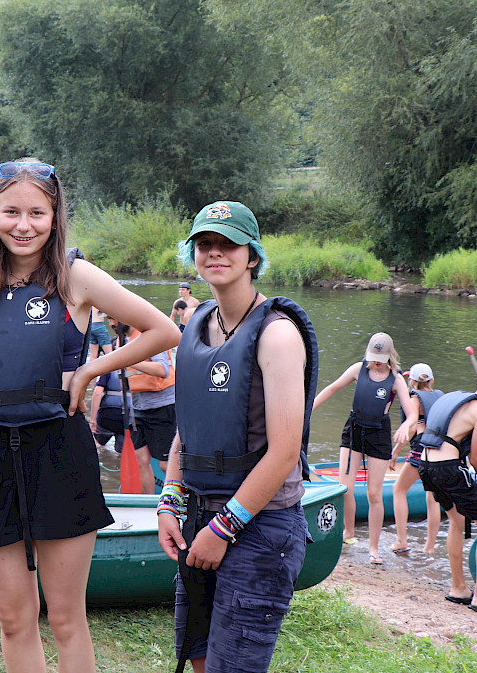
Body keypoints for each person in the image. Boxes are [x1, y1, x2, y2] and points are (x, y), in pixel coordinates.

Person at [0, 158, 180, 673]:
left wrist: (91, 371)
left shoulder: (77, 276)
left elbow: (164, 331)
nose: (23, 225)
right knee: (13, 618)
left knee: (67, 618)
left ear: (54, 216)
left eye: (36, 213)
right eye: (11, 212)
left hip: (60, 452)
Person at [156, 199, 317, 673]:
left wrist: (224, 528)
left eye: (229, 244)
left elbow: (286, 451)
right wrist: (170, 499)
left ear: (253, 256)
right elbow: (189, 429)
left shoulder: (277, 334)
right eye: (205, 244)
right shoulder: (196, 323)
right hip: (199, 514)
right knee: (199, 655)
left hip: (259, 524)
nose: (215, 253)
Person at [312, 332, 416, 564]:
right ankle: (347, 533)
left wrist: (406, 427)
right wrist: (309, 409)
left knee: (373, 493)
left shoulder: (396, 379)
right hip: (354, 430)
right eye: (373, 356)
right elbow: (331, 389)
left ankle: (373, 548)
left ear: (390, 356)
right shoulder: (357, 370)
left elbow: (412, 414)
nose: (376, 361)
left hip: (379, 433)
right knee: (345, 488)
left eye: (380, 357)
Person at [417, 364, 477, 614]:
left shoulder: (456, 399)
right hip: (448, 468)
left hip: (425, 465)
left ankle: (458, 588)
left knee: (456, 521)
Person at [390, 363, 442, 558]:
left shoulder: (414, 398)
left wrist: (395, 452)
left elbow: (411, 428)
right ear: (432, 380)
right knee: (432, 497)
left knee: (399, 489)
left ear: (411, 381)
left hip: (421, 450)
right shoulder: (439, 395)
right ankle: (430, 547)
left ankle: (401, 541)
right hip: (439, 451)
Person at [122, 323, 177, 493]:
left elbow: (162, 369)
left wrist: (131, 360)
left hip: (163, 407)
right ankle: (149, 503)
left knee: (165, 464)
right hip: (137, 408)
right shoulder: (123, 340)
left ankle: (178, 505)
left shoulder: (151, 337)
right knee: (140, 460)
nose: (112, 323)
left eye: (114, 319)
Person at [89, 368, 125, 450]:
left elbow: (97, 393)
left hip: (107, 415)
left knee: (97, 444)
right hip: (128, 416)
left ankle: (101, 452)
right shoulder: (137, 368)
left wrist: (92, 420)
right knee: (122, 450)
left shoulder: (108, 368)